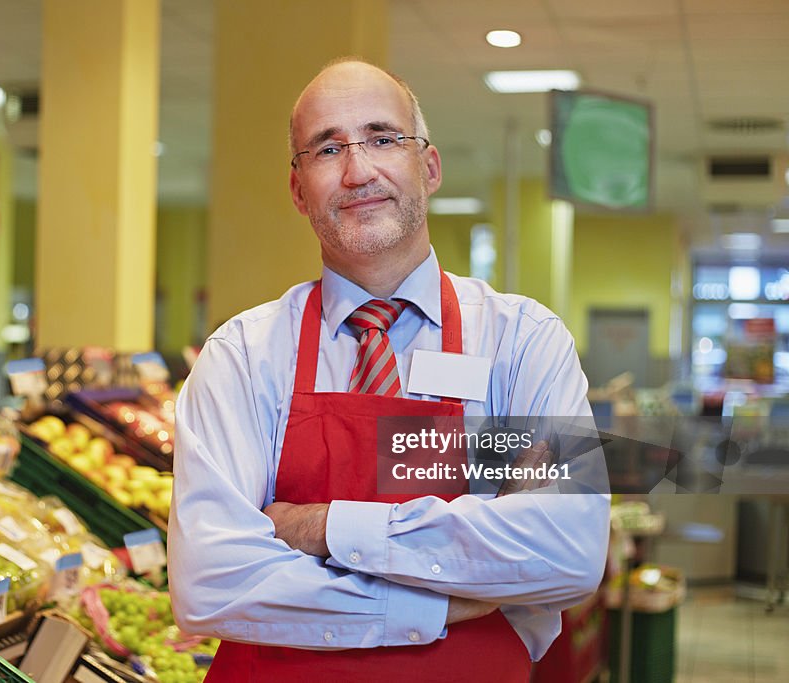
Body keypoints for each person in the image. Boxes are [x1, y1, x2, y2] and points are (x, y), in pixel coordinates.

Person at [168, 58, 610, 682]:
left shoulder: (523, 343)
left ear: (428, 168)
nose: (358, 171)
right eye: (327, 149)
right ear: (298, 189)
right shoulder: (241, 355)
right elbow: (210, 582)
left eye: (382, 138)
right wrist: (437, 603)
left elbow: (565, 549)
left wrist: (322, 526)